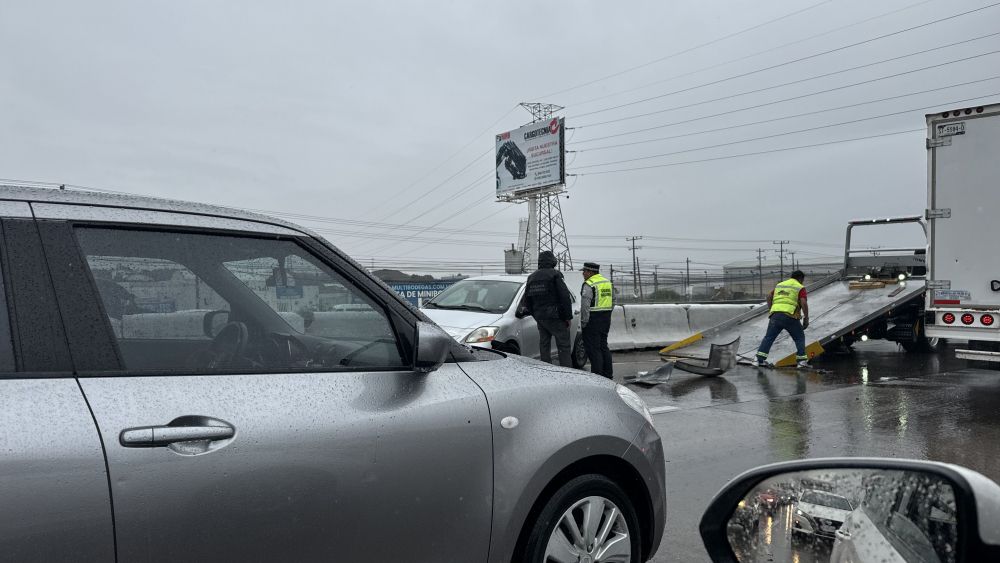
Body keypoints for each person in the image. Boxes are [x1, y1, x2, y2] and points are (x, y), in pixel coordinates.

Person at [515, 250, 574, 367]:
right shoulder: (555, 275)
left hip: (541, 318)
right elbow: (565, 297)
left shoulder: (531, 277)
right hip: (556, 317)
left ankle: (546, 371)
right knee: (563, 346)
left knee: (544, 345)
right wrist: (568, 317)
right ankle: (567, 372)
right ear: (552, 261)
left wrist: (536, 315)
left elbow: (527, 301)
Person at [756, 270, 810, 368]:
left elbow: (768, 296)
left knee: (769, 338)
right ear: (801, 278)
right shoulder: (799, 287)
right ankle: (802, 362)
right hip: (790, 316)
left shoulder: (780, 285)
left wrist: (772, 309)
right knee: (799, 338)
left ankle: (760, 360)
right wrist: (806, 318)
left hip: (775, 315)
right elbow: (803, 302)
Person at [580, 262, 614, 378]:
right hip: (605, 318)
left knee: (594, 350)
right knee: (603, 346)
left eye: (584, 271)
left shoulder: (589, 284)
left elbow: (585, 306)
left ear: (590, 272)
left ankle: (597, 377)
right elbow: (613, 300)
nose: (583, 274)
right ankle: (608, 375)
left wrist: (584, 322)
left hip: (592, 320)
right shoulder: (607, 282)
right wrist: (607, 313)